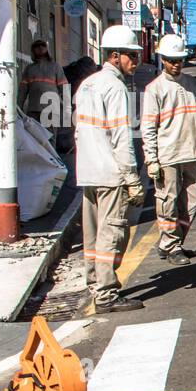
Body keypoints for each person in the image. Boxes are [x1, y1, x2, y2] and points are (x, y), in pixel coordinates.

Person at [75, 25, 147, 313]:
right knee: (112, 232)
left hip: (88, 171)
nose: (136, 62)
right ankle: (106, 294)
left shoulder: (88, 84)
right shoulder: (115, 87)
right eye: (131, 56)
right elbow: (120, 137)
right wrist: (133, 178)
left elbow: (78, 130)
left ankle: (94, 283)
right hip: (109, 173)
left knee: (91, 234)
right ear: (115, 56)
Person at [141, 34, 196, 266]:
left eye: (179, 59)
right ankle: (172, 246)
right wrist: (151, 160)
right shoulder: (154, 89)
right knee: (168, 203)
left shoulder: (192, 85)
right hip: (168, 155)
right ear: (163, 60)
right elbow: (148, 127)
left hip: (191, 153)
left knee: (193, 200)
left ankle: (172, 240)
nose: (176, 64)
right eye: (171, 60)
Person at [18, 39, 69, 147]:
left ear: (47, 49)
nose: (40, 48)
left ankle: (53, 163)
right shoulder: (29, 69)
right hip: (33, 110)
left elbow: (64, 87)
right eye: (37, 46)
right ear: (33, 50)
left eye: (43, 46)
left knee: (50, 138)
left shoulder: (55, 67)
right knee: (34, 138)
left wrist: (68, 108)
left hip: (51, 109)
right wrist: (18, 108)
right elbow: (22, 91)